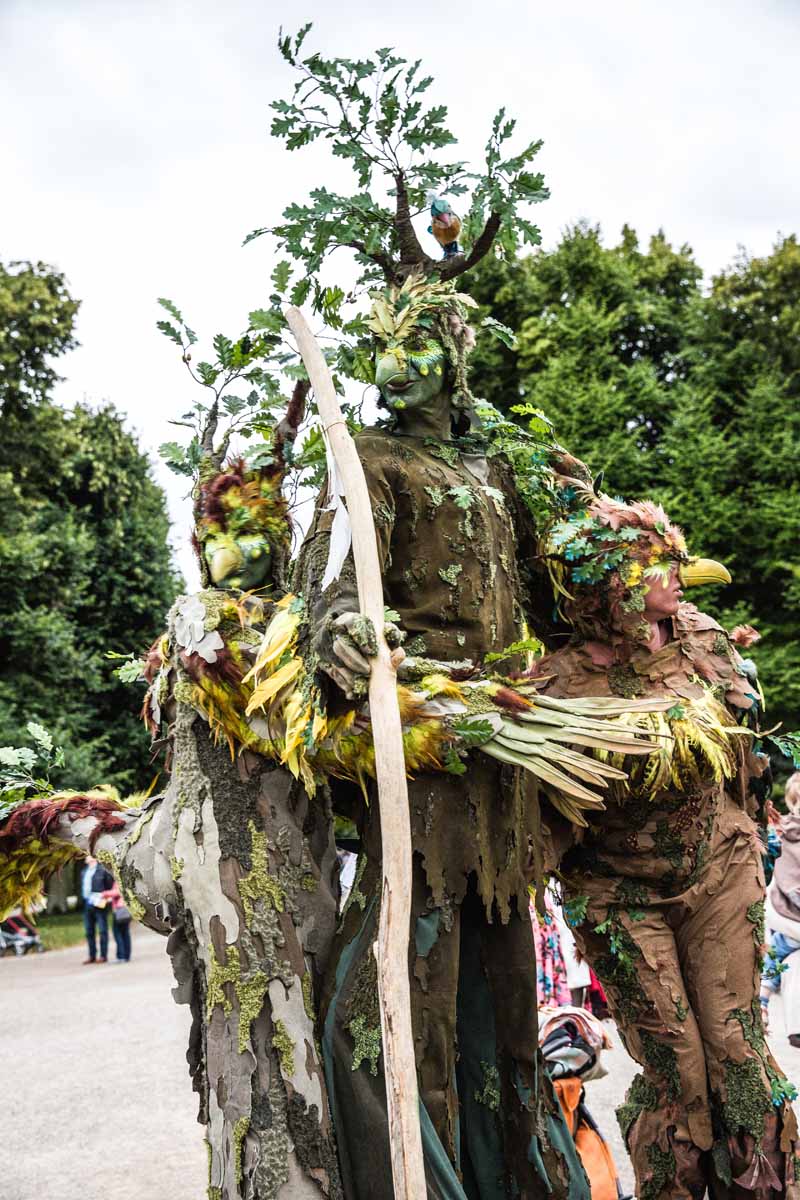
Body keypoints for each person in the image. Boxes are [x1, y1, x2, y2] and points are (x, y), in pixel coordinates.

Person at [296, 276, 589, 1200]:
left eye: (420, 339)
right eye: (383, 341)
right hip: (424, 745)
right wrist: (341, 627)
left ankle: (514, 1174)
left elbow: (556, 584)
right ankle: (416, 1172)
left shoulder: (498, 468)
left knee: (502, 987)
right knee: (402, 974)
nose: (398, 359)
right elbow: (334, 575)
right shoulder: (364, 458)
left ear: (458, 354)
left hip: (506, 753)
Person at [532, 492, 798, 1199]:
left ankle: (763, 1190)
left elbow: (747, 749)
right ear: (610, 583)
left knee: (739, 1054)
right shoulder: (556, 680)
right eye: (656, 561)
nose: (676, 569)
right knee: (676, 1067)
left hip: (720, 868)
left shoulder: (703, 637)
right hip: (618, 892)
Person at [761, 772, 800, 1043]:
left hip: (784, 906)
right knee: (783, 946)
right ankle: (763, 996)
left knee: (782, 949)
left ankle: (763, 997)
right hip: (789, 907)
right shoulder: (785, 833)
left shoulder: (783, 829)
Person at [81, 854, 114, 964]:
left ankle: (103, 956)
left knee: (102, 930)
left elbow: (109, 885)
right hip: (87, 903)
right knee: (89, 931)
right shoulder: (84, 872)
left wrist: (107, 898)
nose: (86, 857)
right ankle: (92, 955)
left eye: (88, 855)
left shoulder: (102, 871)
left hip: (100, 903)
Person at [102, 878, 132, 963]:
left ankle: (121, 956)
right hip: (125, 909)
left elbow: (118, 891)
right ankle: (126, 955)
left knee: (118, 932)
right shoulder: (125, 877)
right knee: (125, 933)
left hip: (119, 910)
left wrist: (105, 893)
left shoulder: (119, 878)